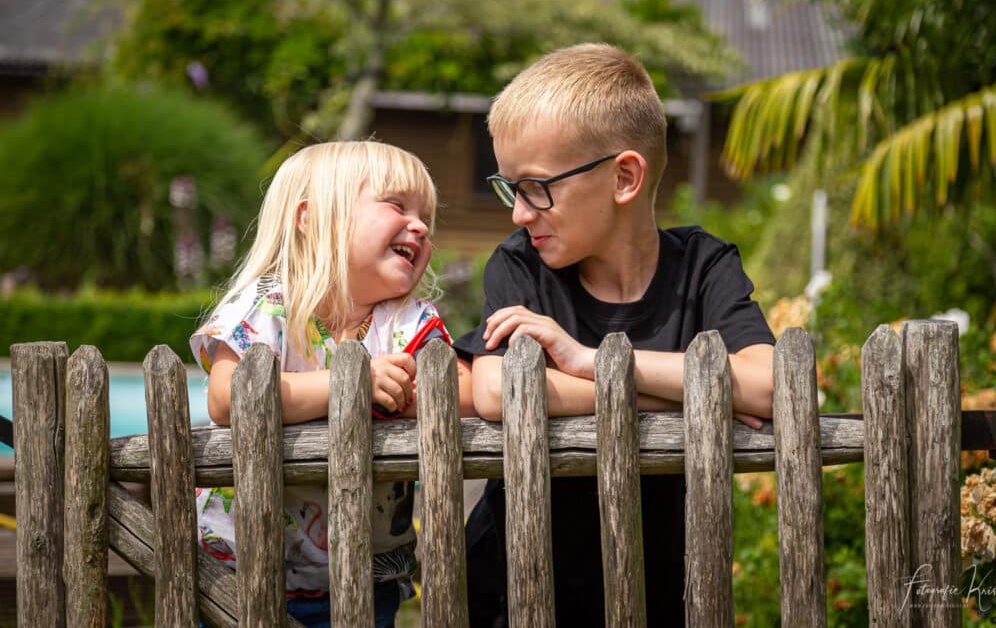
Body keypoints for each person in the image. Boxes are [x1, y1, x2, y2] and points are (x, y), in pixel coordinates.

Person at [454, 44, 776, 626]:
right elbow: (498, 393)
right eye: (509, 188)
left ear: (624, 177)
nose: (518, 215)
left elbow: (771, 386)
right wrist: (685, 395)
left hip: (664, 596)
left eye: (534, 188)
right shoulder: (520, 266)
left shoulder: (704, 266)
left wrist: (584, 361)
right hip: (519, 594)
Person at [189, 140, 474, 628]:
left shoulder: (408, 321)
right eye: (396, 205)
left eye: (425, 215)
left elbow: (462, 392)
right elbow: (228, 397)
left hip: (365, 574)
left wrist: (398, 395)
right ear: (311, 217)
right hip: (242, 570)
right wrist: (350, 387)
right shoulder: (268, 305)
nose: (422, 226)